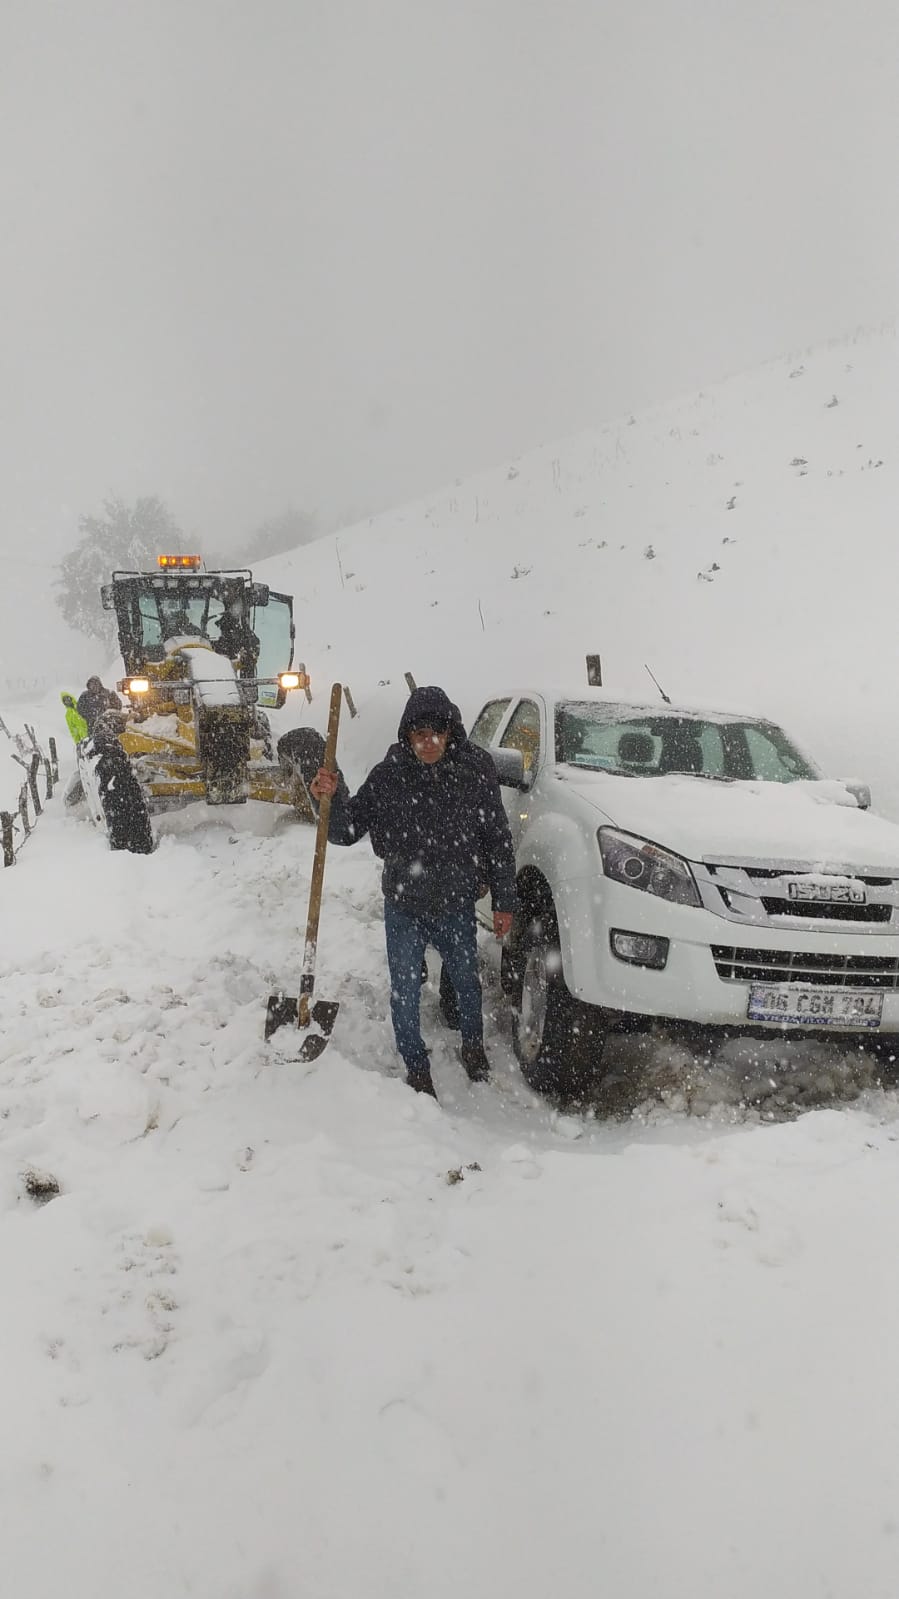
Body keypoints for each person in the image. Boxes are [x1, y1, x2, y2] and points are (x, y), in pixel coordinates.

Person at [310, 685, 517, 1100]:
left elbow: (497, 837)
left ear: (450, 731)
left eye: (436, 732)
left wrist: (504, 900)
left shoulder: (475, 770)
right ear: (406, 735)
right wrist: (330, 799)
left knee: (466, 982)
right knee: (405, 989)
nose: (428, 741)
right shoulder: (390, 774)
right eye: (418, 733)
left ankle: (473, 1048)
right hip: (404, 904)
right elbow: (348, 829)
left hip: (457, 902)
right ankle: (416, 1066)